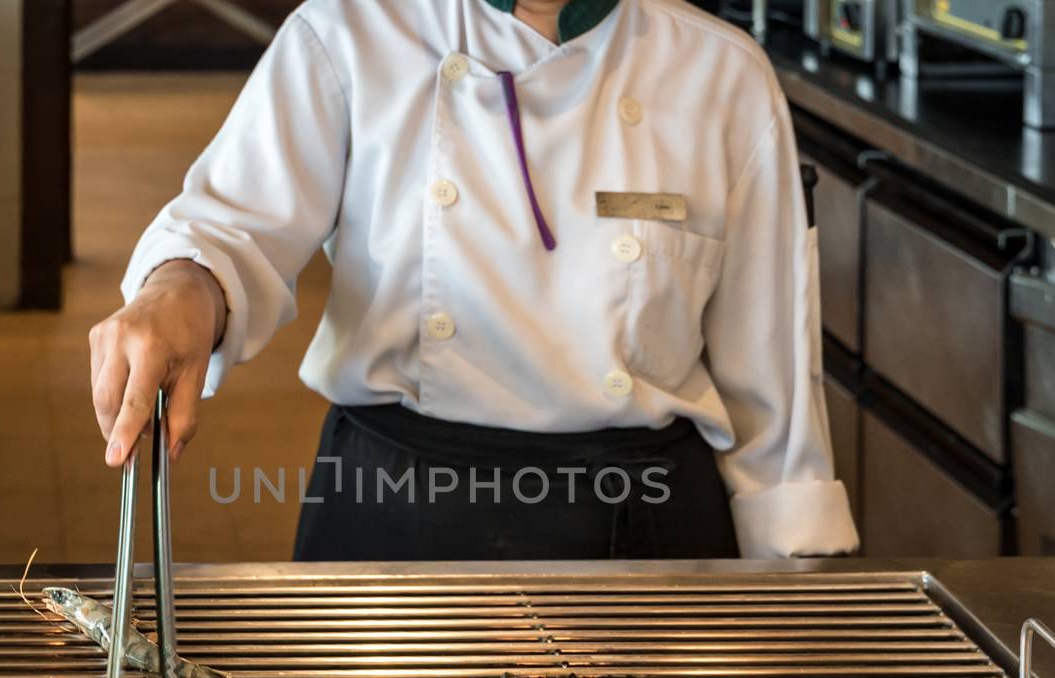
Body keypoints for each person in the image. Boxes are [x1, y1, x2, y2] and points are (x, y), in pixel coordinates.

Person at [88, 0, 859, 561]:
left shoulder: (718, 72)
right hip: (395, 517)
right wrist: (177, 289)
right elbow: (230, 224)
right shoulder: (352, 32)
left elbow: (774, 395)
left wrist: (794, 599)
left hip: (639, 538)